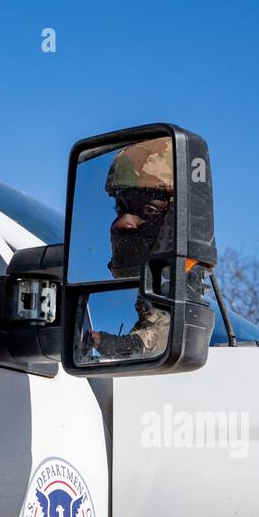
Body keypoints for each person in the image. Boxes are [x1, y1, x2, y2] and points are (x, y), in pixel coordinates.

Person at [84, 138, 175, 359]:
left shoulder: (178, 308)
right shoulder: (151, 295)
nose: (122, 223)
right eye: (120, 208)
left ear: (177, 222)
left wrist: (102, 340)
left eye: (150, 209)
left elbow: (158, 340)